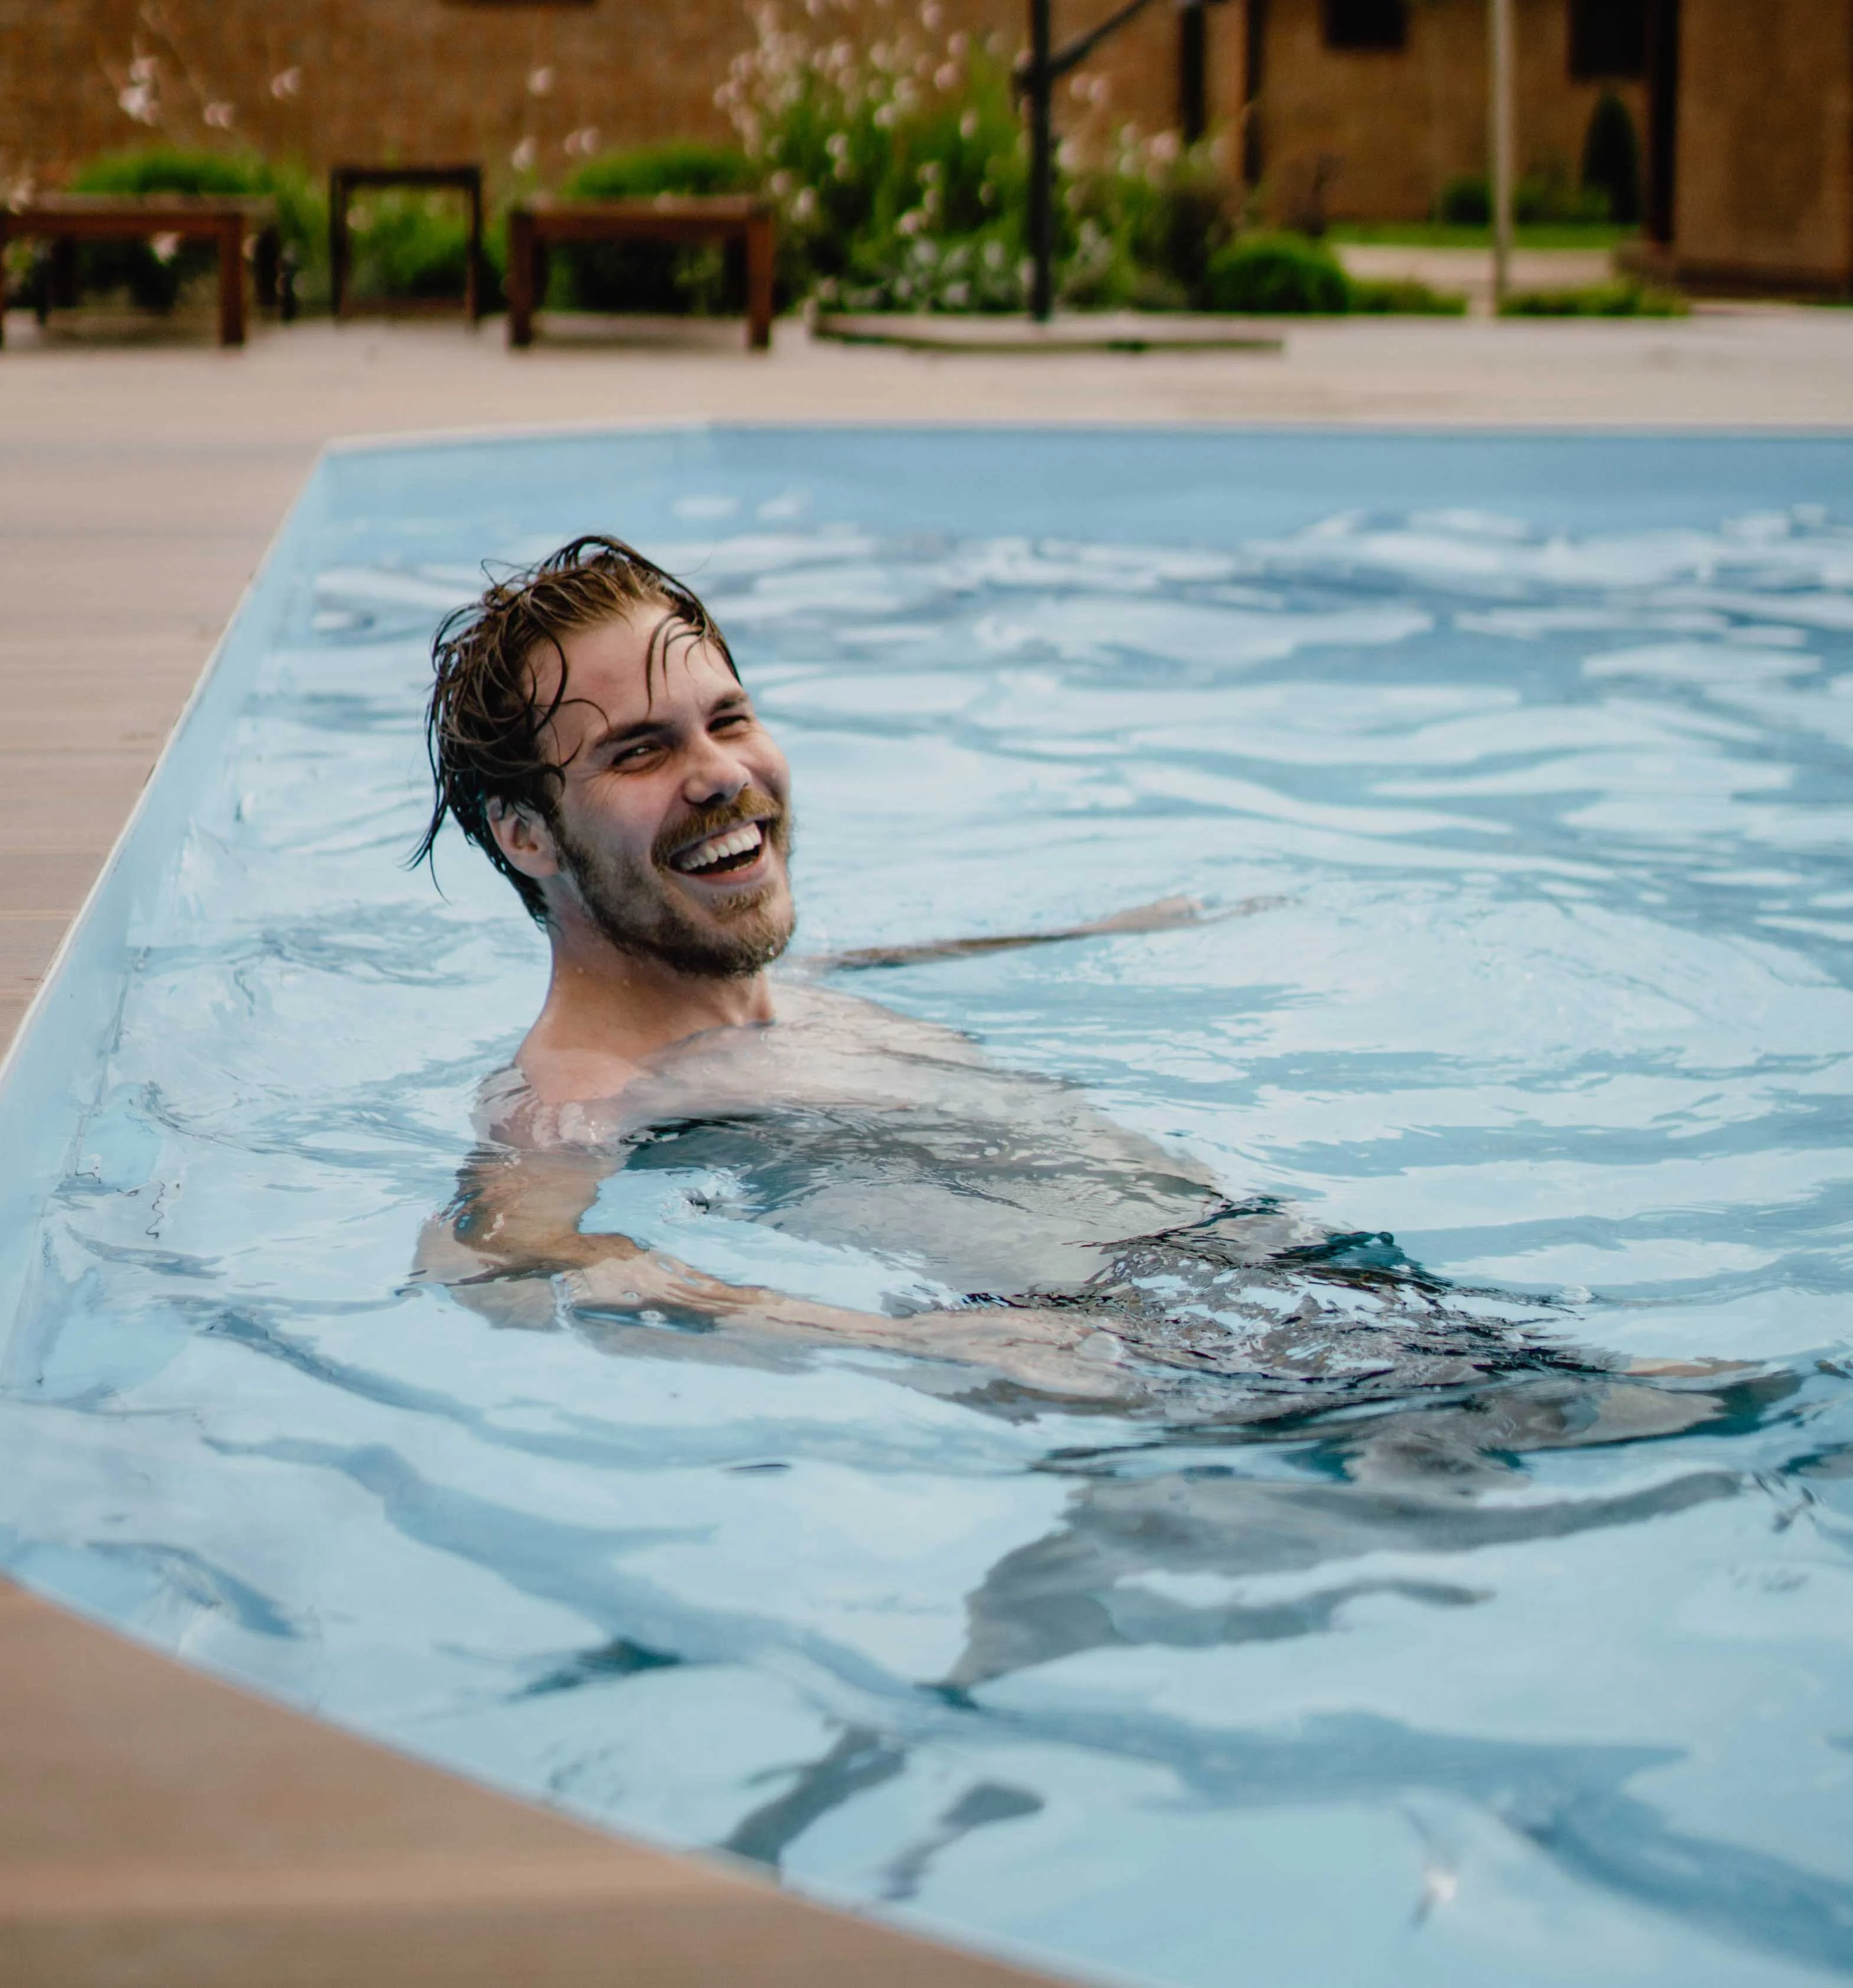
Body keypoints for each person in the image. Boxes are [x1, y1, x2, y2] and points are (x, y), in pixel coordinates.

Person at [411, 535, 1723, 1420]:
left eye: (731, 719)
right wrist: (916, 1349)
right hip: (1201, 1370)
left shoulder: (778, 988)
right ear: (528, 836)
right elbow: (502, 1268)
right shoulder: (581, 1096)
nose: (720, 775)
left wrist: (1130, 925)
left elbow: (885, 955)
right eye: (644, 750)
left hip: (1302, 1289)